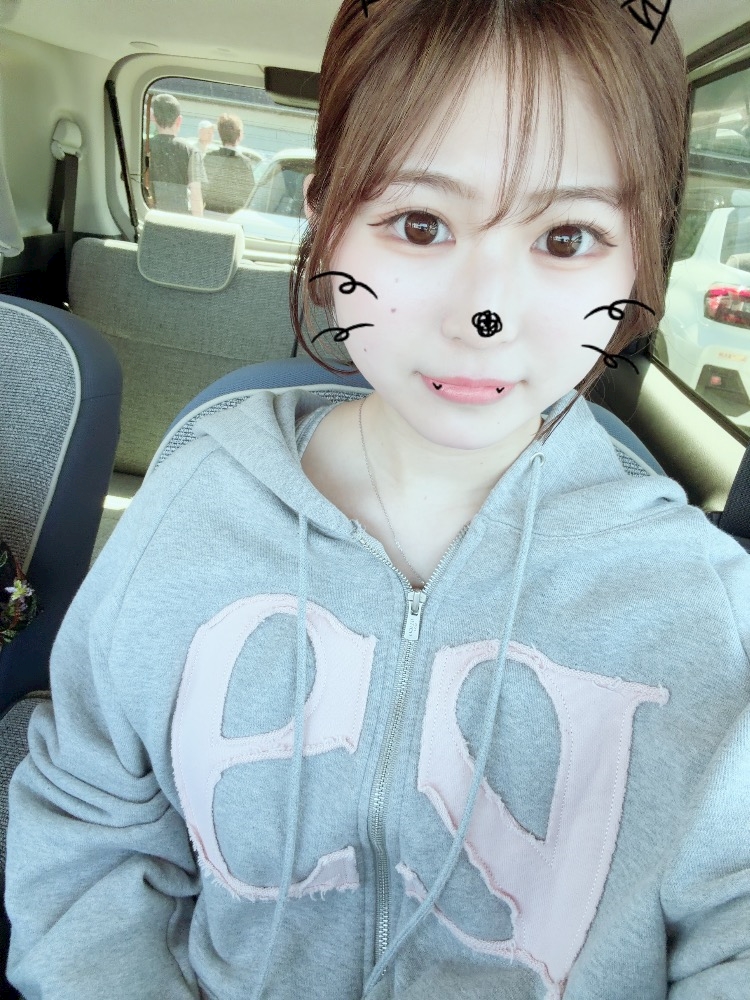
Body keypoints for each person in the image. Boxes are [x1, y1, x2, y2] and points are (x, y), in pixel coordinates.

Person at [5, 1, 750, 998]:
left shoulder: (703, 605)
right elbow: (89, 820)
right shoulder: (196, 502)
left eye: (568, 236)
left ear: (641, 256)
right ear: (326, 225)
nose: (484, 314)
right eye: (419, 224)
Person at [148, 92, 206, 216]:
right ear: (179, 120)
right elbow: (195, 194)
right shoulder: (191, 151)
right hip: (178, 218)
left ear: (153, 118)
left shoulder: (144, 147)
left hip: (149, 215)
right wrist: (198, 223)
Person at [202, 112, 257, 214]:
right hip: (233, 216)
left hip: (209, 213)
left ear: (220, 134)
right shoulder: (244, 163)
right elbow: (250, 195)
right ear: (239, 135)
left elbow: (202, 187)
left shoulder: (209, 158)